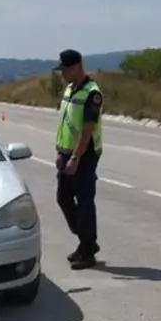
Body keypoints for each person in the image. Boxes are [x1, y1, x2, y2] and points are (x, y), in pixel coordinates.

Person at [52, 49, 104, 270]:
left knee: (84, 201)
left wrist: (75, 157)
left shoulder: (92, 93)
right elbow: (65, 124)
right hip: (66, 152)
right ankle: (86, 241)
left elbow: (87, 131)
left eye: (65, 69)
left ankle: (87, 249)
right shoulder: (70, 89)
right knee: (63, 197)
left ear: (76, 67)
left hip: (84, 154)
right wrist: (60, 152)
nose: (62, 74)